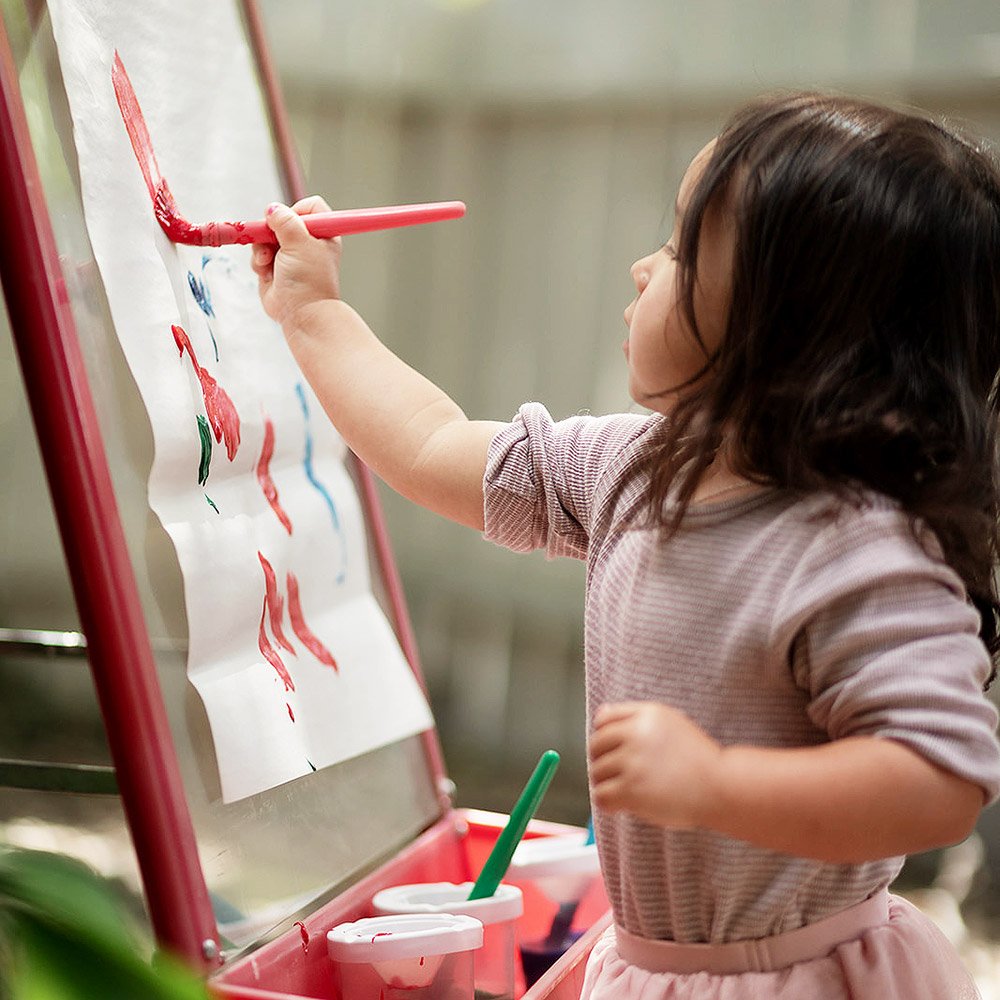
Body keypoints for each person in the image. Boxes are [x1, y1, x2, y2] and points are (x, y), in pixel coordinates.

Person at [253, 92, 1000, 998]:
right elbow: (429, 443)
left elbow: (940, 779)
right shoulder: (634, 467)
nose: (647, 268)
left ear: (787, 328)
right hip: (656, 969)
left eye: (684, 248)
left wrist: (717, 782)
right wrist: (314, 314)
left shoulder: (858, 551)